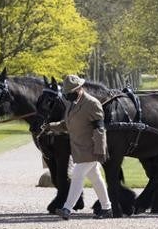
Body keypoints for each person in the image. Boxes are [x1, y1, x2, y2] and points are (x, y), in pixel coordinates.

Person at [46, 74, 111, 220]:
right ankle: (107, 208)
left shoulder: (92, 103)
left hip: (91, 149)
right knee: (96, 178)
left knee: (77, 175)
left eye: (70, 92)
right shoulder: (71, 103)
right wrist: (51, 126)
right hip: (79, 149)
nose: (68, 95)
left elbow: (99, 129)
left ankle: (67, 209)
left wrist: (100, 150)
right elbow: (67, 124)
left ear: (79, 89)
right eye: (66, 93)